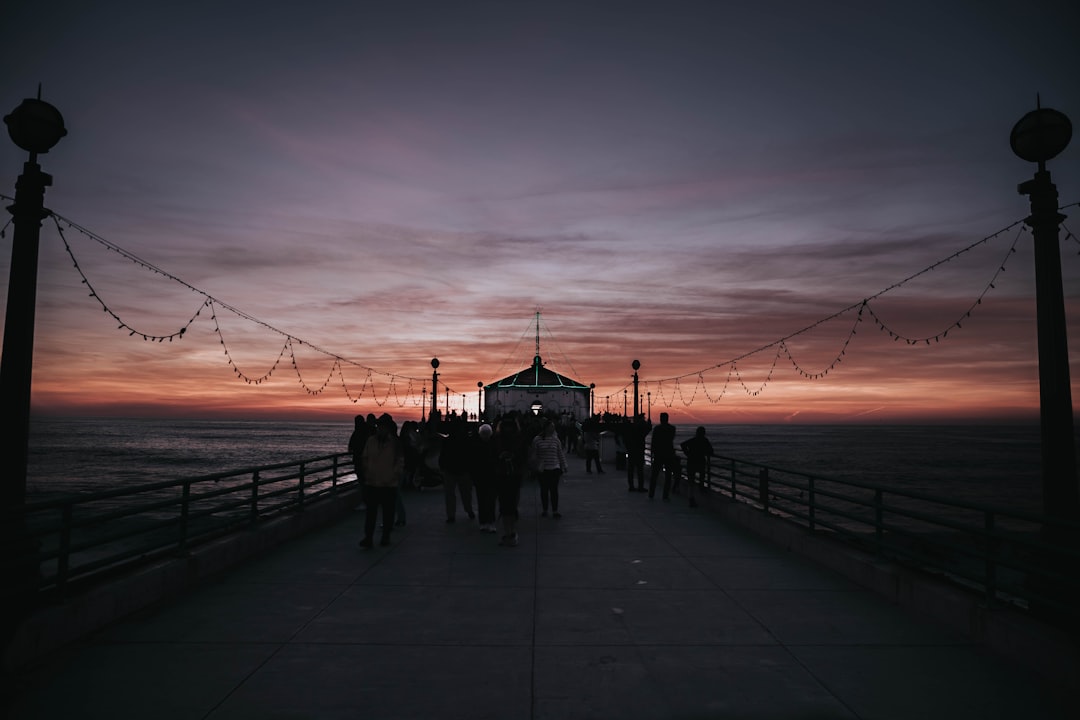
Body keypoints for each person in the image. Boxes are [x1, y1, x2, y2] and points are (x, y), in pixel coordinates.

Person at [359, 413, 403, 548]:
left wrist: (394, 475)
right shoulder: (371, 441)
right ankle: (368, 538)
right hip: (372, 482)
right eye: (379, 427)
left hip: (389, 484)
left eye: (383, 427)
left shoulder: (395, 443)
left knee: (387, 513)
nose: (380, 429)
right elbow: (364, 458)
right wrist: (367, 472)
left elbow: (400, 462)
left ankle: (385, 536)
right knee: (371, 513)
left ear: (388, 428)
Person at [439, 414, 475, 523]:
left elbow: (443, 454)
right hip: (463, 469)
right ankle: (468, 510)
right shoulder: (467, 440)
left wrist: (442, 466)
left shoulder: (448, 440)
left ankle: (451, 515)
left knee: (450, 494)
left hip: (450, 469)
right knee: (466, 493)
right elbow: (470, 455)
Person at [495, 415, 524, 546]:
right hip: (514, 476)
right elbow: (524, 457)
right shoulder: (518, 440)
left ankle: (508, 532)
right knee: (511, 506)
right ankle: (511, 532)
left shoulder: (497, 440)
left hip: (502, 476)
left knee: (505, 507)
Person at [531, 418, 568, 518]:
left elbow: (560, 453)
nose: (553, 428)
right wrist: (534, 465)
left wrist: (564, 465)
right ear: (546, 428)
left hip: (554, 468)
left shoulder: (556, 440)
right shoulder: (537, 439)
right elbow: (534, 454)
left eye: (553, 427)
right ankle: (545, 509)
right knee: (544, 490)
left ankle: (555, 510)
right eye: (551, 427)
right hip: (543, 469)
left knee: (554, 490)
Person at [471, 423, 499, 533]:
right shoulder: (494, 445)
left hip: (481, 477)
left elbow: (473, 463)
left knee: (482, 500)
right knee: (490, 501)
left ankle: (483, 522)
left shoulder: (475, 445)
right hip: (490, 477)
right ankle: (490, 522)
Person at [680, 426, 714, 508]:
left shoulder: (693, 440)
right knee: (702, 477)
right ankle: (701, 489)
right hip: (700, 462)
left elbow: (683, 445)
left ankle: (691, 499)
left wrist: (687, 454)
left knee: (691, 481)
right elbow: (711, 451)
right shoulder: (704, 440)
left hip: (691, 462)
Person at [648, 412, 678, 501]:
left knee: (654, 475)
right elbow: (671, 439)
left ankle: (651, 493)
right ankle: (665, 495)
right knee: (668, 476)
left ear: (661, 419)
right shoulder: (672, 428)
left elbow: (653, 442)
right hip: (668, 454)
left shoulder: (657, 429)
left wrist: (652, 453)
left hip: (658, 454)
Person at [623, 414, 651, 492]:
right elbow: (647, 430)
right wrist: (649, 425)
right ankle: (640, 487)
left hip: (631, 452)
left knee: (631, 470)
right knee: (640, 470)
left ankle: (631, 486)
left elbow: (625, 440)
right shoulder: (640, 432)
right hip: (639, 452)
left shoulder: (630, 430)